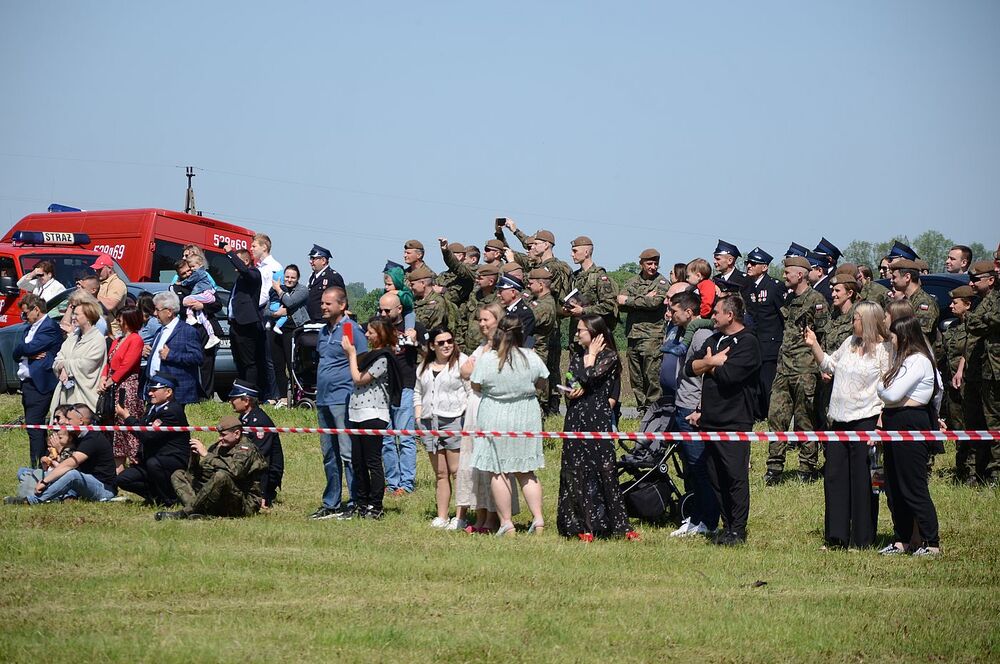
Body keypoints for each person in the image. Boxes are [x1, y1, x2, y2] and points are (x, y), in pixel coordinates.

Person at [804, 301, 891, 549]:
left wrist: (880, 425)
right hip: (839, 421)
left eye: (856, 318)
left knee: (864, 481)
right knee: (834, 478)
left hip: (866, 420)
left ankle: (862, 539)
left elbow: (889, 387)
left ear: (868, 321)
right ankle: (836, 537)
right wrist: (814, 346)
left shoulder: (885, 351)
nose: (852, 322)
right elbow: (829, 365)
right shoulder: (850, 343)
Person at [685, 294, 762, 545]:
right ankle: (726, 527)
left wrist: (709, 365)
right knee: (716, 478)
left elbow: (730, 376)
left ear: (730, 315)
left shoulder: (748, 342)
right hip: (710, 420)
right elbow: (690, 367)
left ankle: (738, 530)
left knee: (734, 477)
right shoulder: (714, 339)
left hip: (734, 421)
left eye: (716, 312)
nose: (712, 316)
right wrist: (710, 362)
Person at [470, 315, 549, 536]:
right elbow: (542, 382)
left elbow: (475, 383)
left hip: (495, 414)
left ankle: (506, 522)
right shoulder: (531, 357)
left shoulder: (488, 359)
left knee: (499, 471)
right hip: (526, 415)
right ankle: (539, 519)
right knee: (526, 471)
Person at [558, 315, 633, 540]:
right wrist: (571, 389)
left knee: (602, 469)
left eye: (581, 330)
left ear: (594, 333)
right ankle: (576, 524)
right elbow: (574, 379)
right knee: (575, 468)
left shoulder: (608, 356)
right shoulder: (578, 355)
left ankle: (606, 523)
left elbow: (590, 377)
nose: (577, 334)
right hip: (576, 416)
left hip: (597, 418)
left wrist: (590, 358)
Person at [877, 316, 942, 557]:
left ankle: (931, 542)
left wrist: (885, 389)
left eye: (892, 336)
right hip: (894, 423)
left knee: (913, 487)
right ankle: (902, 539)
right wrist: (886, 390)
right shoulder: (902, 361)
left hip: (911, 423)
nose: (890, 341)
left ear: (903, 336)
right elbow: (887, 392)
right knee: (894, 488)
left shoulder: (919, 361)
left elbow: (891, 394)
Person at [765, 256, 828, 484]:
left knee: (805, 419)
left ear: (799, 275)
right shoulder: (789, 301)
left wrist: (822, 366)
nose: (783, 276)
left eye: (787, 272)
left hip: (806, 369)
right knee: (777, 417)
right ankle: (774, 467)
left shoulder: (816, 300)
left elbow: (824, 336)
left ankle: (806, 467)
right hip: (784, 368)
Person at [667, 289, 721, 538]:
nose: (670, 314)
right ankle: (696, 515)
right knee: (690, 468)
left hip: (692, 410)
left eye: (674, 310)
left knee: (700, 468)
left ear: (689, 311)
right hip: (680, 405)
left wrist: (700, 409)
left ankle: (708, 521)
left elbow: (708, 377)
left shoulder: (701, 336)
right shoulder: (681, 332)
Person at [311, 286, 365, 520]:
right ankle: (331, 502)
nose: (323, 306)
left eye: (328, 303)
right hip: (322, 400)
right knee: (329, 454)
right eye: (322, 303)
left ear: (342, 305)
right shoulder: (323, 331)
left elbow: (361, 360)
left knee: (347, 453)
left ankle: (354, 501)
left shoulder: (350, 330)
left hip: (343, 400)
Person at [154, 414, 269, 520]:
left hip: (244, 502)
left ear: (237, 434)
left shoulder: (246, 449)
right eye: (219, 434)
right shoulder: (220, 447)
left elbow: (235, 472)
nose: (220, 438)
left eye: (223, 435)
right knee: (179, 475)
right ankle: (201, 512)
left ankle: (187, 512)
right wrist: (194, 457)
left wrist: (206, 454)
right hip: (220, 496)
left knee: (221, 476)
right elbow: (199, 473)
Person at [343, 319, 401, 521]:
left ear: (381, 334)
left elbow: (359, 378)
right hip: (356, 412)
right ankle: (362, 502)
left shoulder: (383, 358)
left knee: (372, 462)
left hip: (374, 414)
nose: (366, 336)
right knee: (358, 462)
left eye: (370, 332)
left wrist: (351, 355)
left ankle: (376, 505)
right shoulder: (368, 355)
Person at [4, 405, 118, 505]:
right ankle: (61, 495)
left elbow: (69, 464)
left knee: (72, 475)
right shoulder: (78, 435)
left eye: (69, 419)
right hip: (82, 481)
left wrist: (45, 481)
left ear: (81, 421)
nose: (66, 422)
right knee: (23, 472)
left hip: (104, 489)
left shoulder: (93, 438)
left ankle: (31, 501)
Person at [415, 327, 471, 529]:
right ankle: (442, 516)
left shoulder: (461, 363)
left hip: (454, 421)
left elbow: (470, 391)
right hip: (430, 423)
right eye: (441, 342)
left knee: (457, 471)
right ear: (432, 346)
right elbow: (417, 392)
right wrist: (419, 415)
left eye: (449, 341)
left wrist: (465, 416)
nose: (446, 345)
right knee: (440, 473)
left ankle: (460, 516)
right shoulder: (424, 366)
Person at [114, 373, 191, 505]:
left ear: (168, 392)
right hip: (153, 459)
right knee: (123, 479)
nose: (150, 393)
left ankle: (170, 499)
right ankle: (155, 496)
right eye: (150, 390)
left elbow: (147, 435)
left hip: (173, 458)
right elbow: (146, 435)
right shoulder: (152, 408)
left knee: (153, 464)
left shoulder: (171, 411)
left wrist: (127, 417)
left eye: (155, 390)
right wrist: (139, 455)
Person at [379, 292, 428, 495]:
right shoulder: (379, 327)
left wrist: (415, 343)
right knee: (386, 438)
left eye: (387, 310)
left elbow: (429, 354)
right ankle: (392, 483)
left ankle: (406, 484)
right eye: (380, 309)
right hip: (383, 387)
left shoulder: (414, 327)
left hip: (406, 386)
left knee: (405, 437)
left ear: (399, 309)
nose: (382, 313)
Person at [617, 248, 670, 416]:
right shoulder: (632, 281)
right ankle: (642, 408)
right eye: (649, 263)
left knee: (651, 374)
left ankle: (654, 410)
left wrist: (632, 300)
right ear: (641, 264)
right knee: (636, 375)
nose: (653, 267)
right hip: (633, 334)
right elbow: (619, 302)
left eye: (655, 263)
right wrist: (643, 298)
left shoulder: (661, 283)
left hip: (652, 335)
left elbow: (654, 303)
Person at [12, 294, 64, 467]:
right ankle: (41, 462)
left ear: (36, 309)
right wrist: (25, 351)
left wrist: (24, 350)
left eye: (26, 313)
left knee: (34, 426)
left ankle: (36, 465)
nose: (24, 317)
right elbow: (16, 352)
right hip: (26, 384)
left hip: (40, 384)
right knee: (33, 427)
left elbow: (28, 348)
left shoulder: (49, 327)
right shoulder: (28, 329)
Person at [962, 260, 1000, 483]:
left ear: (990, 280)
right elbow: (973, 324)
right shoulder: (983, 302)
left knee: (995, 423)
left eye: (975, 279)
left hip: (995, 371)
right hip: (987, 371)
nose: (971, 284)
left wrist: (981, 320)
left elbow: (988, 321)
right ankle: (990, 471)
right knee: (987, 421)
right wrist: (982, 320)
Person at [100, 307, 144, 471]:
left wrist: (112, 379)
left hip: (127, 387)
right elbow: (108, 362)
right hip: (114, 386)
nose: (118, 322)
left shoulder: (135, 339)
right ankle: (118, 466)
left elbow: (127, 364)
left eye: (120, 319)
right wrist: (104, 377)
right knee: (115, 427)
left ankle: (135, 461)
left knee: (126, 422)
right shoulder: (118, 340)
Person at [742, 247, 784, 417]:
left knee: (768, 382)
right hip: (755, 342)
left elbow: (783, 316)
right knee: (756, 382)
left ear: (764, 267)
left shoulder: (774, 287)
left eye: (753, 263)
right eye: (747, 263)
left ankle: (769, 414)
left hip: (771, 344)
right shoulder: (747, 286)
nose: (749, 266)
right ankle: (758, 414)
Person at [229, 380, 284, 508]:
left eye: (234, 398)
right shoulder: (245, 418)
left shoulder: (259, 422)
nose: (230, 402)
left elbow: (263, 459)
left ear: (246, 401)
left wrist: (263, 493)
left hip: (266, 475)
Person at [142, 291, 203, 405]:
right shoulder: (160, 330)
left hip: (175, 392)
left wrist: (171, 355)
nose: (154, 314)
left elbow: (197, 357)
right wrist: (147, 351)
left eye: (157, 310)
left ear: (169, 311)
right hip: (156, 389)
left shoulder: (187, 331)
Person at [49, 300, 107, 418]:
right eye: (73, 314)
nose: (73, 317)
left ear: (89, 317)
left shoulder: (98, 339)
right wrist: (62, 366)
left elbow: (87, 364)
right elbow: (58, 358)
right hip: (66, 394)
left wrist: (65, 366)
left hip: (85, 396)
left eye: (77, 314)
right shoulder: (73, 337)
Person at [944, 285, 974, 482]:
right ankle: (961, 469)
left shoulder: (973, 327)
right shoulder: (953, 326)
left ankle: (973, 470)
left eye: (955, 302)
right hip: (952, 383)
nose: (951, 305)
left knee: (971, 425)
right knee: (957, 425)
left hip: (969, 383)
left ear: (968, 304)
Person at [224, 246, 265, 386]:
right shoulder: (240, 278)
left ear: (246, 261)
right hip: (235, 324)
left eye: (238, 261)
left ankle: (250, 393)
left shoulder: (254, 273)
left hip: (246, 325)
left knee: (249, 362)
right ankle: (241, 391)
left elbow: (245, 271)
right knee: (239, 361)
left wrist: (230, 253)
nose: (235, 265)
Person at [269, 264, 310, 406]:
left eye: (293, 277)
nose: (289, 280)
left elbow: (290, 302)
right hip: (276, 330)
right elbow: (266, 309)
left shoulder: (303, 290)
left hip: (293, 331)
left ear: (298, 278)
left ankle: (296, 395)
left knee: (292, 364)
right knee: (278, 364)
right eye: (287, 277)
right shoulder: (274, 290)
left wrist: (278, 289)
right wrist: (275, 313)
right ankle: (283, 398)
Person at [564, 236, 618, 334]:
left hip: (593, 332)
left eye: (575, 251)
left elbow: (609, 305)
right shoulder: (575, 276)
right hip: (576, 332)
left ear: (586, 252)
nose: (572, 254)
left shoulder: (599, 276)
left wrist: (584, 310)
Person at [306, 244, 346, 323]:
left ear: (323, 260)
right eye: (310, 258)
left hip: (325, 321)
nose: (311, 262)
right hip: (311, 320)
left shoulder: (333, 277)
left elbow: (342, 299)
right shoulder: (312, 276)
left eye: (313, 259)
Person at [497, 274, 536, 346]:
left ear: (513, 292)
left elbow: (523, 341)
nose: (498, 295)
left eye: (501, 291)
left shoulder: (525, 314)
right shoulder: (504, 310)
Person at [92, 254, 127, 334]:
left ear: (109, 268)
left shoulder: (117, 283)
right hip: (99, 328)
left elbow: (110, 305)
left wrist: (92, 294)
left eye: (100, 270)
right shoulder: (101, 282)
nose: (96, 272)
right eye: (96, 270)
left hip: (112, 331)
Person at [437, 239, 476, 309]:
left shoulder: (466, 274)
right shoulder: (443, 275)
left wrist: (446, 251)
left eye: (451, 254)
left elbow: (452, 297)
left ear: (461, 256)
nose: (449, 257)